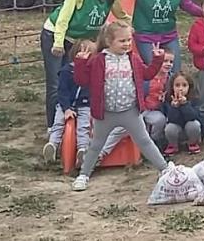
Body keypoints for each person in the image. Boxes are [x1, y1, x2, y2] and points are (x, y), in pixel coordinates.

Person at [71, 20, 168, 191]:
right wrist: (80, 63)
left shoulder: (133, 58)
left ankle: (165, 169)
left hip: (130, 111)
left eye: (129, 40)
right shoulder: (98, 60)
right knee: (96, 145)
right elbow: (82, 80)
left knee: (144, 140)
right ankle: (83, 175)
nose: (127, 44)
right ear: (109, 41)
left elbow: (147, 74)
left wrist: (157, 59)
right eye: (122, 41)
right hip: (105, 112)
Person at [41, 0, 129, 129]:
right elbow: (65, 15)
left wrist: (132, 25)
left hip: (79, 40)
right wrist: (58, 42)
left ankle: (75, 117)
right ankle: (53, 126)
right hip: (57, 34)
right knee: (57, 80)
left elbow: (119, 12)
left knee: (78, 77)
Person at [122, 0, 203, 78]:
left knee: (174, 71)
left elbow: (187, 5)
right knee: (155, 70)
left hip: (168, 34)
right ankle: (153, 96)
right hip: (146, 35)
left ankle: (173, 96)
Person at [43, 39, 97, 165]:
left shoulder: (92, 72)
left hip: (85, 105)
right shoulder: (66, 71)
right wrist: (66, 108)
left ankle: (82, 150)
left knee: (84, 126)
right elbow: (62, 92)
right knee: (59, 123)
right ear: (75, 55)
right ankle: (52, 145)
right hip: (65, 105)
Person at [162, 72, 204, 155]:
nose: (181, 88)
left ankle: (192, 143)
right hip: (177, 130)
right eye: (177, 85)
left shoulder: (194, 98)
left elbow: (193, 117)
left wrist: (185, 105)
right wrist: (174, 107)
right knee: (170, 127)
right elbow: (171, 119)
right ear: (172, 87)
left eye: (184, 85)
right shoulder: (168, 99)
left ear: (189, 87)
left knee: (193, 124)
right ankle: (173, 145)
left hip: (191, 131)